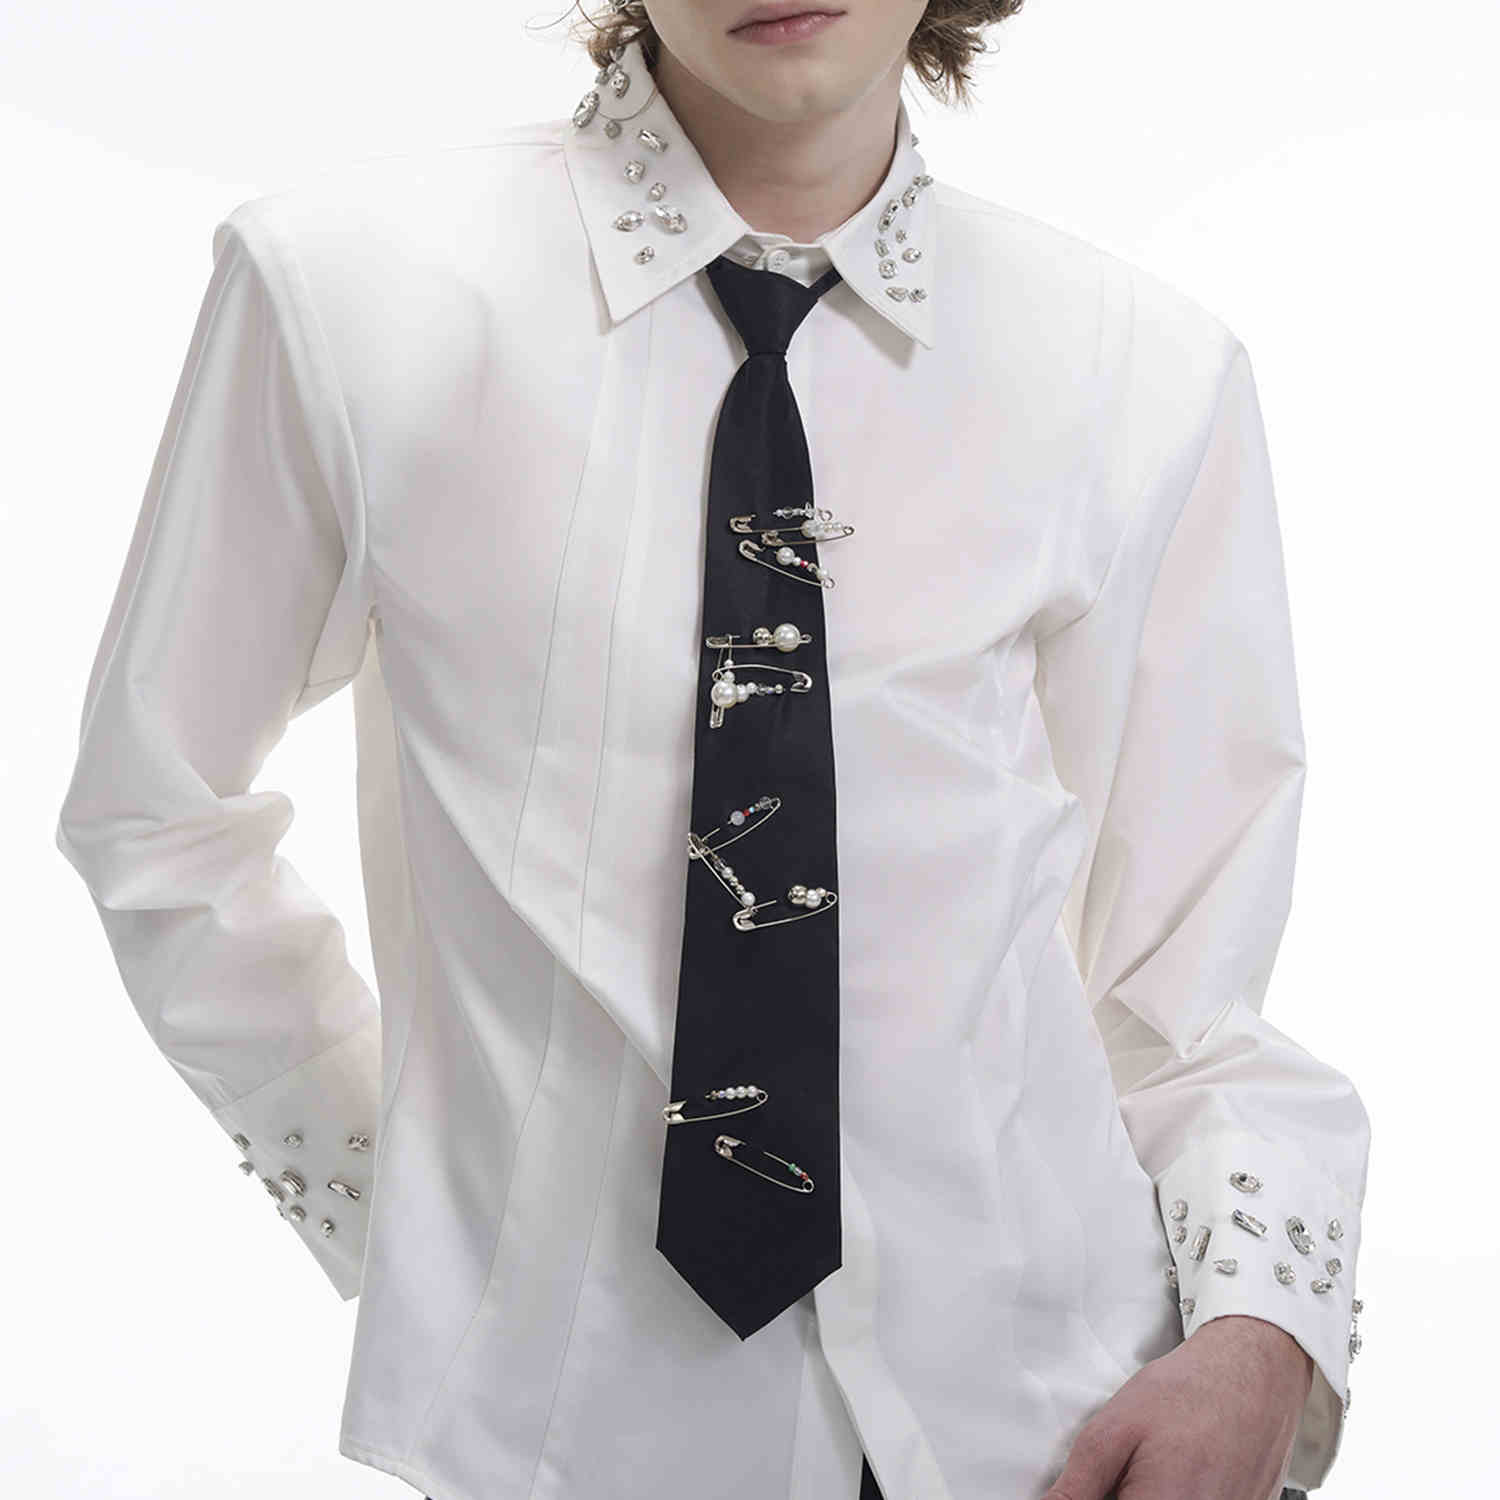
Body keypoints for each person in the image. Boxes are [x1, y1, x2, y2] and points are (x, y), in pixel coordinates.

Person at [53, 2, 1369, 1498]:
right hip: (583, 1440)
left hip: (1058, 1420)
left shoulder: (1139, 369)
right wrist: (419, 1216)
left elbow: (1191, 987)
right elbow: (155, 816)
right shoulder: (355, 291)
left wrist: (1259, 1333)